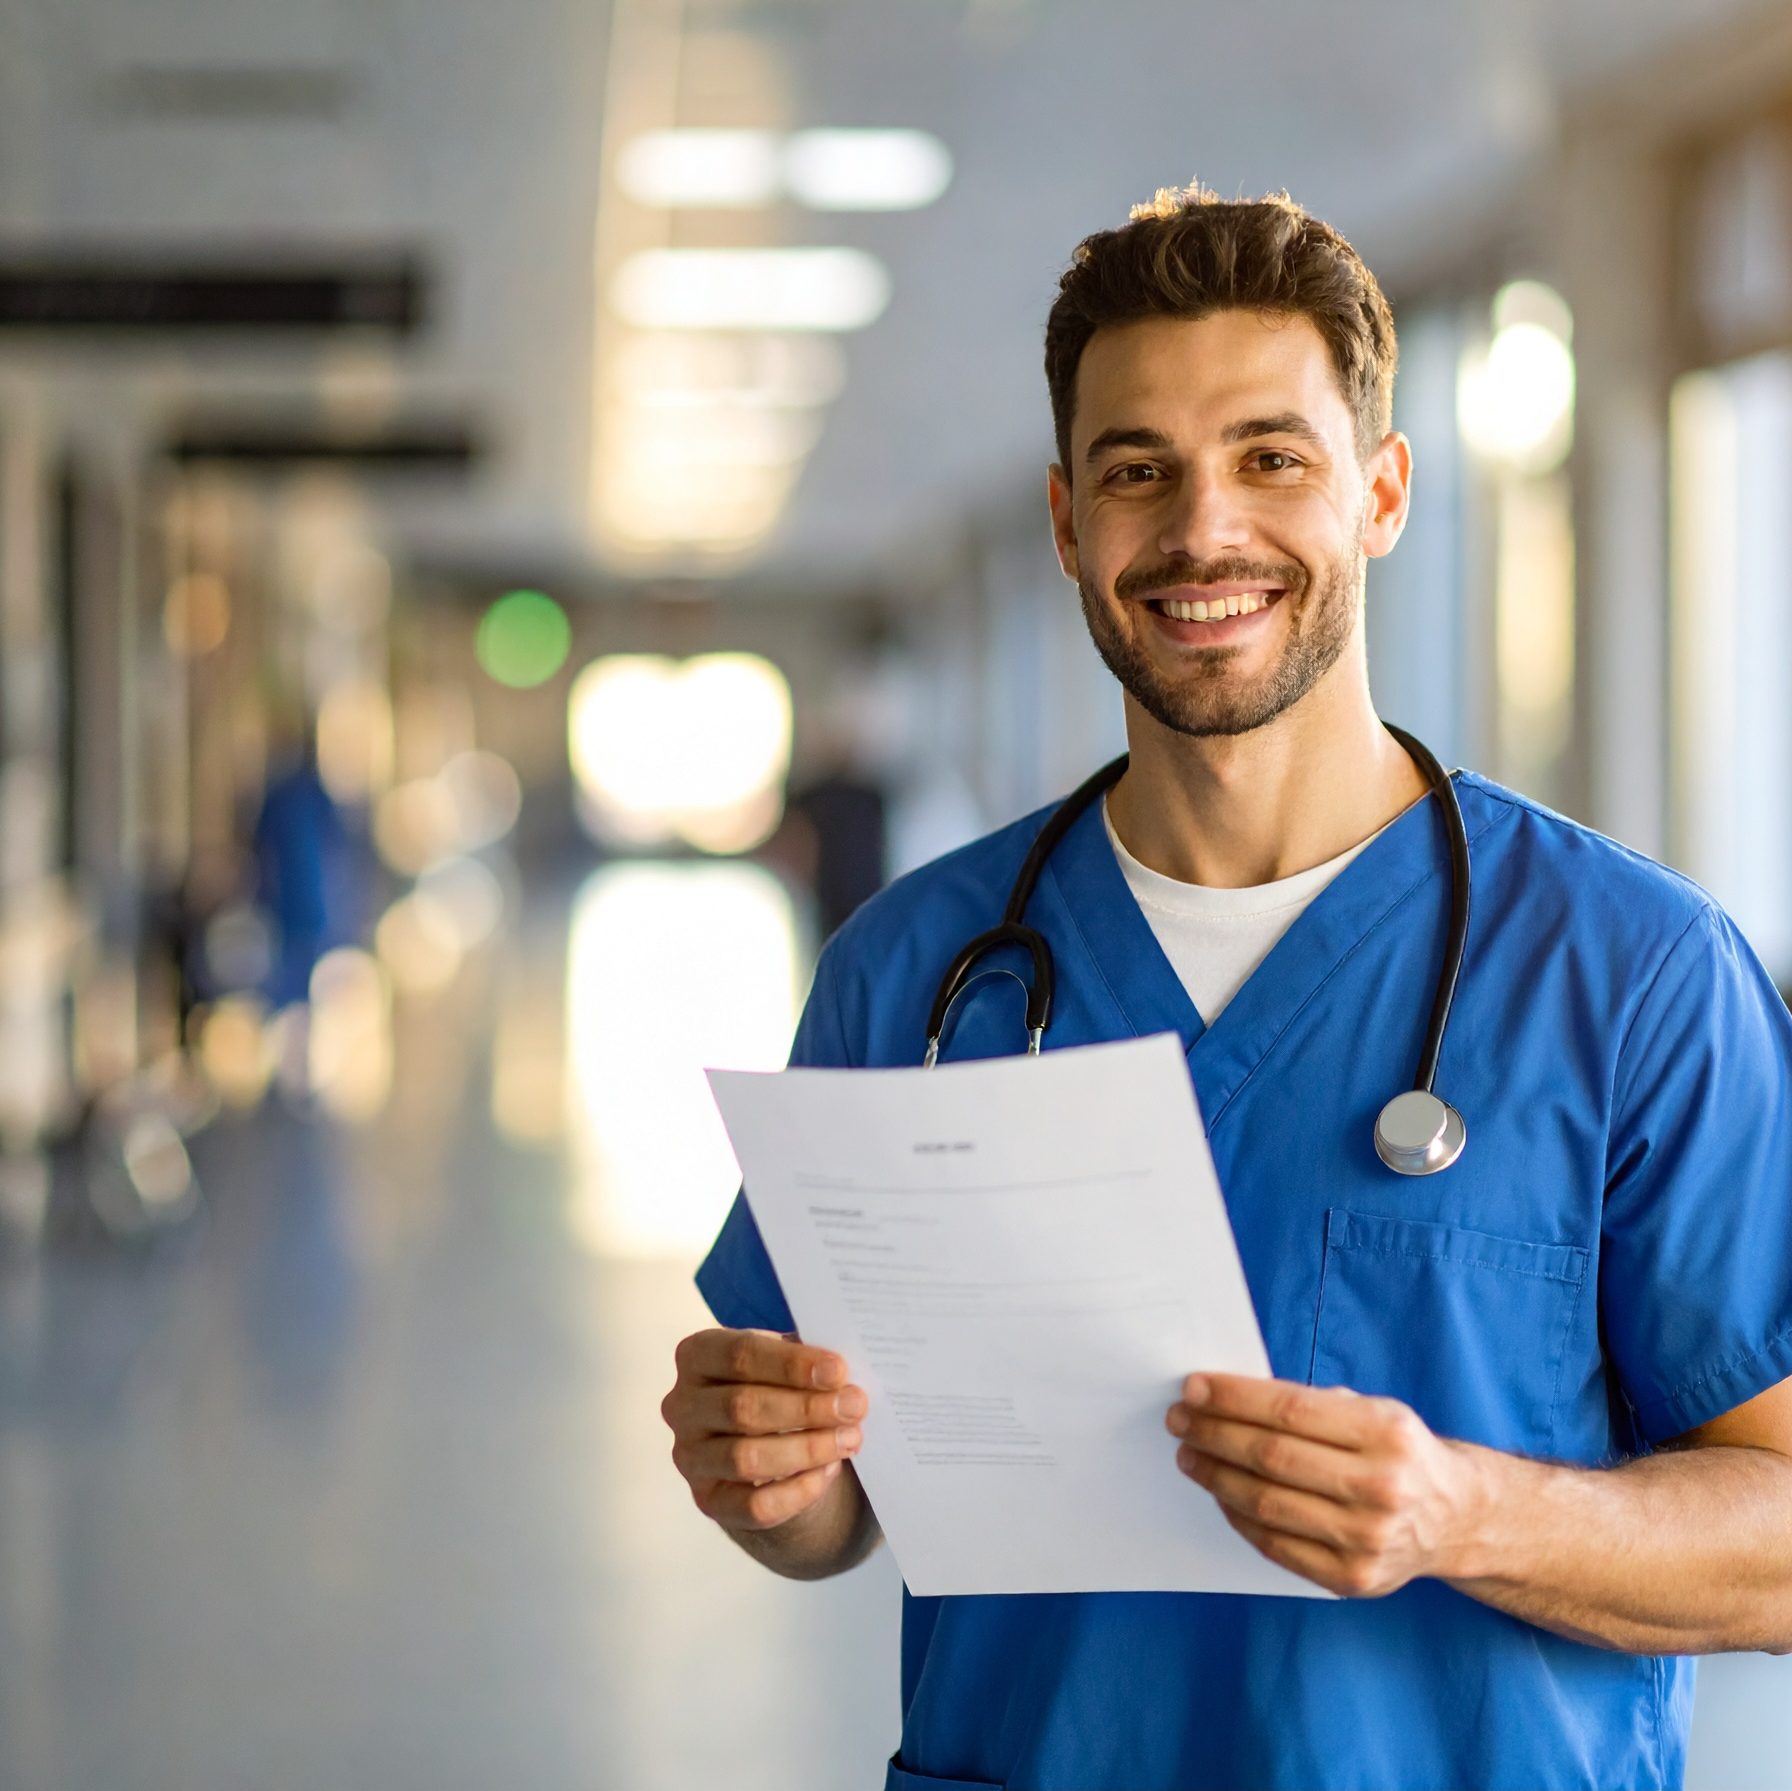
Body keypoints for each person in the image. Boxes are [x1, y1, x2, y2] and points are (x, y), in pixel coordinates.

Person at [661, 184, 1792, 1790]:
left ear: (1384, 493)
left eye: (1274, 458)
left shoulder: (1639, 975)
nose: (1204, 531)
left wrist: (1470, 1513)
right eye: (1140, 472)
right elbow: (848, 1508)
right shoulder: (911, 973)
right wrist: (774, 1487)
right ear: (1068, 522)